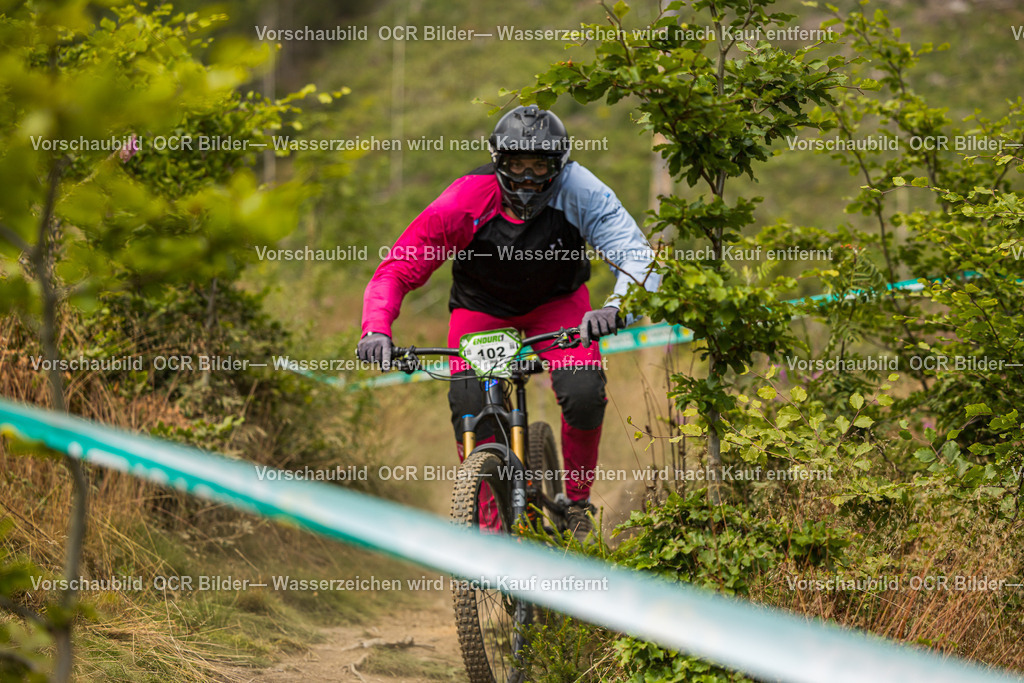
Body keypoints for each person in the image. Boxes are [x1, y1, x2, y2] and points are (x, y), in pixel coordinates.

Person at [357, 105, 660, 541]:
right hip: (482, 307)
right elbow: (398, 268)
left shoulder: (583, 191)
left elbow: (636, 256)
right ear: (500, 162)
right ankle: (488, 524)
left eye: (540, 166)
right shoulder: (464, 199)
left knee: (584, 391)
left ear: (559, 164)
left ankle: (576, 502)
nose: (529, 178)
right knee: (469, 406)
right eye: (518, 165)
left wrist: (615, 309)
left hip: (557, 304)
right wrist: (376, 328)